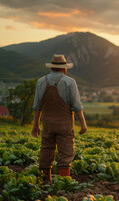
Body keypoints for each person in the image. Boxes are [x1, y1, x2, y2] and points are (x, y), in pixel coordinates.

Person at [31, 54, 87, 184]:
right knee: (66, 153)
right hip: (64, 126)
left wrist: (35, 125)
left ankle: (44, 181)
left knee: (46, 150)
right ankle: (63, 183)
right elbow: (77, 106)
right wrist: (83, 123)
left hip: (47, 125)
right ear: (64, 69)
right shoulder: (69, 82)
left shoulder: (41, 81)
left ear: (52, 67)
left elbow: (37, 106)